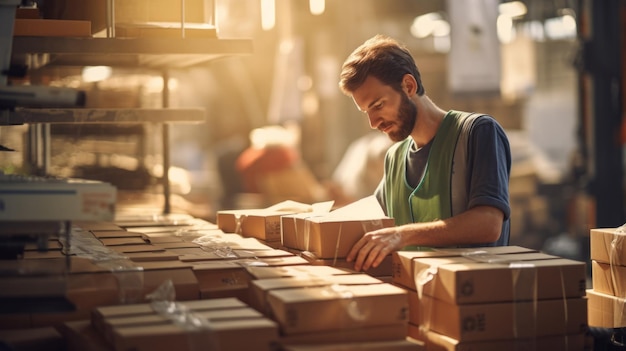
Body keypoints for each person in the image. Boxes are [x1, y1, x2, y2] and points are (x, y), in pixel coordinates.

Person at [339, 34, 512, 271]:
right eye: (366, 112)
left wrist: (403, 235)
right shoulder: (395, 158)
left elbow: (489, 224)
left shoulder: (476, 132)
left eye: (378, 105)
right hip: (417, 301)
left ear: (408, 86)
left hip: (474, 299)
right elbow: (369, 217)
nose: (373, 122)